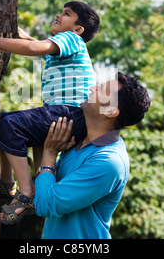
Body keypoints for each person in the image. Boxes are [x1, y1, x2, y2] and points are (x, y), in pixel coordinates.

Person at [0, 1, 100, 224]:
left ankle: (27, 191)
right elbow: (36, 45)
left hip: (69, 113)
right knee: (3, 121)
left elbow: (34, 48)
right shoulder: (64, 48)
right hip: (67, 114)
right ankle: (7, 182)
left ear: (77, 29)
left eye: (66, 14)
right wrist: (17, 32)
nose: (59, 15)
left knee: (10, 126)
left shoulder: (71, 39)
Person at [35, 72, 151, 239]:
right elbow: (42, 191)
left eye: (101, 89)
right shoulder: (78, 140)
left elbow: (46, 204)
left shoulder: (109, 161)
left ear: (110, 111)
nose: (92, 88)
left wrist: (49, 152)